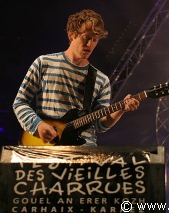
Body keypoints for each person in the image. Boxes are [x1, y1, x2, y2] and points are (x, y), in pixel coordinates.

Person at [13, 9, 139, 146]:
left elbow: (100, 125)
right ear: (71, 35)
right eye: (86, 38)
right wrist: (38, 125)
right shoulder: (44, 63)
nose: (90, 45)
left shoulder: (101, 80)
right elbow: (20, 103)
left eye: (95, 40)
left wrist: (121, 109)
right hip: (48, 147)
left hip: (84, 150)